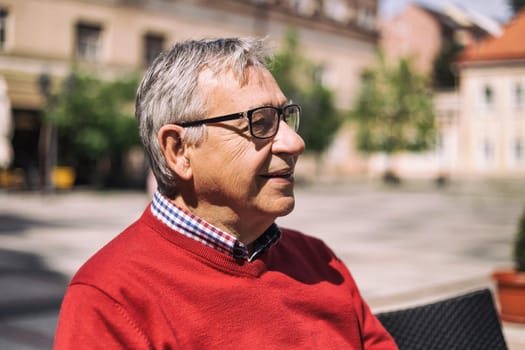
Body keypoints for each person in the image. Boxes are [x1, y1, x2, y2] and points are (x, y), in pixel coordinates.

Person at [54, 37, 398, 349]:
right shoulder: (111, 299)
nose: (295, 143)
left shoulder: (319, 260)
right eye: (260, 123)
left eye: (285, 118)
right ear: (179, 150)